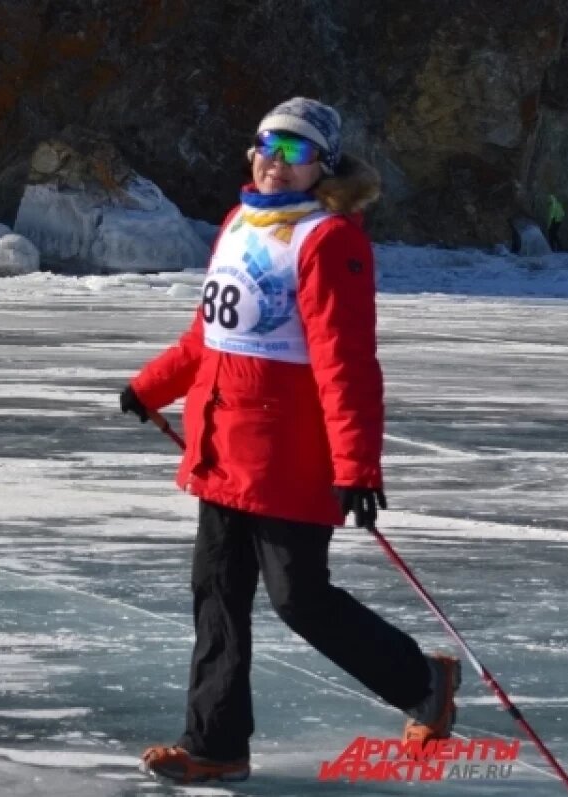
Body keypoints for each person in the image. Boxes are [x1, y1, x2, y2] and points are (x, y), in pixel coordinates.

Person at [119, 97, 460, 785]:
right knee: (215, 595)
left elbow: (347, 364)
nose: (276, 160)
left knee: (299, 598)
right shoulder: (239, 224)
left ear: (322, 169)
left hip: (290, 461)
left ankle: (423, 680)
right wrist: (149, 386)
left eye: (297, 151)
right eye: (268, 144)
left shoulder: (329, 241)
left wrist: (358, 464)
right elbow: (207, 338)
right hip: (220, 452)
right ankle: (215, 744)